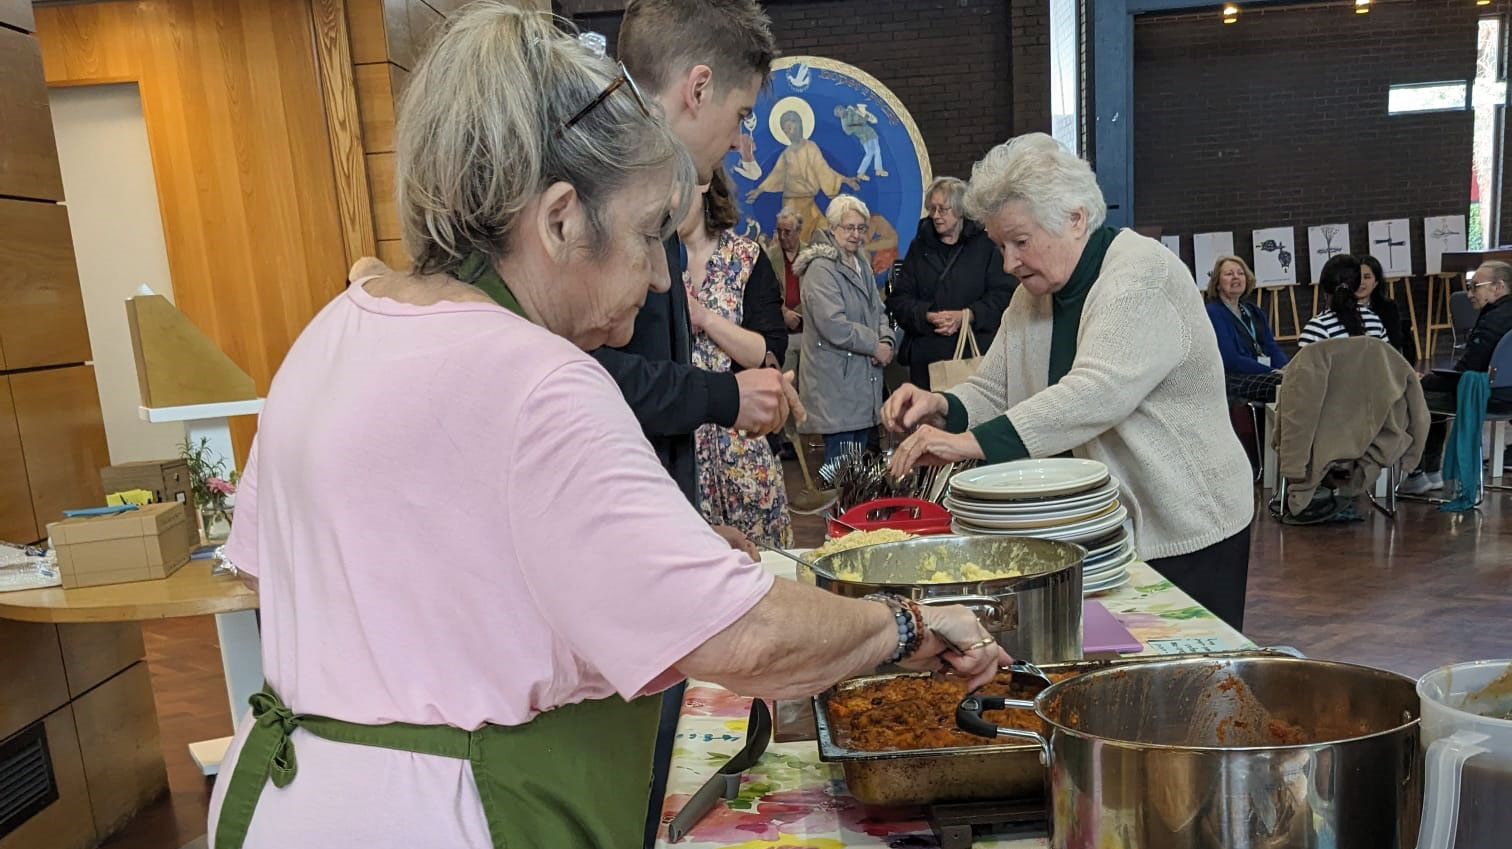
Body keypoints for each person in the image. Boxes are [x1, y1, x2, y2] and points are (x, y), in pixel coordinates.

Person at [204, 9, 1008, 849]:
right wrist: (907, 623)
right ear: (560, 219)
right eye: (648, 234)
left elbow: (364, 571)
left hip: (286, 808)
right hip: (461, 818)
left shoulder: (335, 327)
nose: (662, 276)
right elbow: (746, 637)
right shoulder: (539, 380)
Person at [883, 134, 1254, 629]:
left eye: (1020, 241)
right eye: (999, 245)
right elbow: (995, 388)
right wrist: (939, 405)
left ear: (1075, 218)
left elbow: (1096, 392)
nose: (1009, 262)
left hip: (1185, 522)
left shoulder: (1141, 274)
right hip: (1104, 529)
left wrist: (967, 444)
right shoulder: (1034, 292)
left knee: (1188, 684)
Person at [590, 0, 794, 540]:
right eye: (742, 116)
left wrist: (690, 527)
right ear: (698, 88)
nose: (737, 140)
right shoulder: (599, 193)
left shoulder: (658, 190)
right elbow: (586, 377)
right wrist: (723, 395)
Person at [682, 170, 791, 545]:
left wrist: (706, 318)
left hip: (743, 441)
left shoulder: (745, 258)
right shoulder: (654, 262)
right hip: (683, 444)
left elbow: (767, 351)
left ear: (704, 188)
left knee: (761, 560)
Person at [887, 176, 1018, 389]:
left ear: (960, 210)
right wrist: (926, 314)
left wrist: (967, 315)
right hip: (927, 357)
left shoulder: (985, 246)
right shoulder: (919, 247)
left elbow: (1004, 295)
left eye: (943, 209)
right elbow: (899, 299)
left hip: (973, 352)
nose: (936, 216)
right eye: (932, 209)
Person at [1400, 260, 1512, 494]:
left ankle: (1419, 472)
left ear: (1498, 287)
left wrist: (1424, 380)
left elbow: (1467, 373)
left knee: (1416, 395)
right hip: (1506, 392)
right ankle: (1429, 472)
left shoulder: (1493, 320)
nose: (1469, 294)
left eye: (1475, 286)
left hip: (1488, 395)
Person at [798, 195, 895, 464]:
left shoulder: (860, 262)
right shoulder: (820, 268)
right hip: (836, 387)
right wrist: (875, 345)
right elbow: (834, 325)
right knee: (840, 473)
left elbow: (878, 310)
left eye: (861, 228)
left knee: (858, 471)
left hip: (862, 384)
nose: (856, 235)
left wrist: (887, 341)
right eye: (848, 227)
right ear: (832, 227)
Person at [746, 108, 861, 243]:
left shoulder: (811, 147)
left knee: (826, 234)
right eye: (785, 130)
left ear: (799, 124)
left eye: (790, 127)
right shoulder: (787, 154)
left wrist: (845, 180)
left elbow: (823, 169)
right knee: (800, 241)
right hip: (792, 206)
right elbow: (775, 175)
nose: (789, 132)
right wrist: (760, 190)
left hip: (810, 204)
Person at [1204, 255, 1288, 403]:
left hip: (1264, 373)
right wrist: (1272, 372)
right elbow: (1231, 359)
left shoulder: (1253, 311)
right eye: (1229, 274)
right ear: (1217, 283)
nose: (1236, 277)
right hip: (1234, 377)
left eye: (1240, 273)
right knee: (1282, 385)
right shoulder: (1213, 313)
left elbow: (1271, 347)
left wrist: (1286, 368)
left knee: (1296, 379)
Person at [1297, 255, 1389, 346]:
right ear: (1356, 285)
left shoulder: (1318, 327)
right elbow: (1387, 358)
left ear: (1324, 288)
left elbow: (1303, 360)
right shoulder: (1374, 321)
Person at [766, 205, 805, 376]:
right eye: (779, 231)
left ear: (798, 231)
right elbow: (765, 295)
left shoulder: (812, 256)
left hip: (809, 331)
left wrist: (799, 315)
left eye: (787, 232)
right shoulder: (769, 257)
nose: (782, 237)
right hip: (782, 333)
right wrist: (785, 314)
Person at [1359, 254, 1419, 364]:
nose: (1361, 282)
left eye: (1367, 277)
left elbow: (1393, 345)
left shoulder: (1388, 307)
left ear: (1376, 282)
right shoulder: (1343, 308)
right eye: (1358, 277)